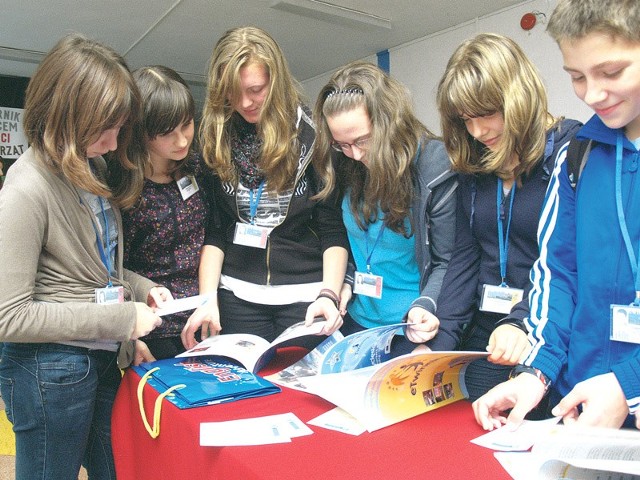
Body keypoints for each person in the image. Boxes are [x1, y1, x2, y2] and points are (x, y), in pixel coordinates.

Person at [0, 34, 171, 479]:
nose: (115, 144)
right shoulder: (24, 190)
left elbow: (94, 269)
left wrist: (141, 290)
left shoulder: (87, 167)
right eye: (104, 128)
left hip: (96, 359)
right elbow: (9, 317)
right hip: (47, 373)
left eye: (119, 127)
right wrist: (120, 322)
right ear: (66, 115)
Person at [473, 0, 640, 431]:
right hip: (578, 401)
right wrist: (536, 370)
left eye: (612, 72)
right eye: (577, 77)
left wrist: (628, 384)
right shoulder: (577, 153)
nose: (592, 94)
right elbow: (556, 272)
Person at [432, 33, 581, 401]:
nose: (477, 131)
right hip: (487, 336)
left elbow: (567, 261)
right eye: (466, 119)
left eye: (487, 114)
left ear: (518, 98)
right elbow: (465, 258)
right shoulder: (476, 164)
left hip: (546, 333)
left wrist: (521, 321)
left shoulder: (570, 149)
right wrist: (437, 346)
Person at [181, 26, 349, 347]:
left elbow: (332, 229)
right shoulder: (217, 138)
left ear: (276, 81)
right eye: (233, 92)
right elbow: (216, 229)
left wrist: (328, 292)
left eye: (256, 89)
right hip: (237, 294)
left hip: (305, 294)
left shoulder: (312, 138)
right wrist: (207, 300)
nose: (245, 102)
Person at [312, 61, 458, 353]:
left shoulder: (435, 165)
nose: (354, 154)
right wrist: (346, 283)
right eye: (342, 144)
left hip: (412, 327)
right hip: (357, 324)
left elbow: (449, 262)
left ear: (389, 121)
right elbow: (352, 244)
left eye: (362, 140)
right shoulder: (346, 163)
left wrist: (426, 306)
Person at [123, 65, 213, 359]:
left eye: (187, 124)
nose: (183, 140)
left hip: (203, 315)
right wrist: (128, 337)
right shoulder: (122, 187)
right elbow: (109, 268)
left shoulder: (198, 168)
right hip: (152, 327)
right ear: (141, 133)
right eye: (167, 133)